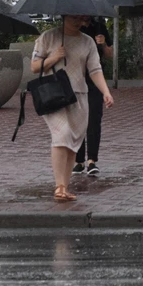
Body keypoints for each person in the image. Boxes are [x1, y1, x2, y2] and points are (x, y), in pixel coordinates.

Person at [32, 15, 115, 201]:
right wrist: (53, 58)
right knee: (62, 136)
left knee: (73, 142)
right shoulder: (48, 37)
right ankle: (59, 186)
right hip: (55, 96)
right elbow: (34, 66)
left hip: (79, 96)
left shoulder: (88, 42)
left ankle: (64, 185)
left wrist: (105, 92)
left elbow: (95, 69)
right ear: (64, 16)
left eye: (83, 18)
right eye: (75, 17)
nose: (80, 21)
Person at [71, 16, 114, 176]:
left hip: (95, 78)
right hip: (76, 77)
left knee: (94, 118)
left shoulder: (99, 26)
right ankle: (79, 161)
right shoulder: (72, 27)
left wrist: (103, 45)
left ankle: (92, 161)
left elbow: (110, 54)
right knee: (77, 119)